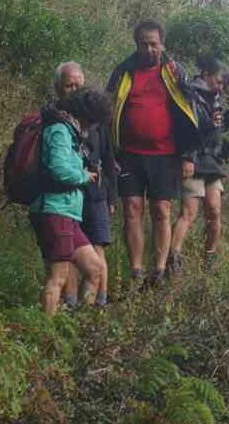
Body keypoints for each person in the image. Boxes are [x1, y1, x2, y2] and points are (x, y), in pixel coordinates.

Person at [106, 20, 200, 286]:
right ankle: (136, 271)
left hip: (166, 154)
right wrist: (108, 152)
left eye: (154, 44)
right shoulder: (123, 71)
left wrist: (188, 155)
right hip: (129, 154)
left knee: (162, 209)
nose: (149, 49)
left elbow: (190, 114)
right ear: (136, 45)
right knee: (132, 209)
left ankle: (158, 271)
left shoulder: (174, 72)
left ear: (162, 44)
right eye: (144, 44)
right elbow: (106, 110)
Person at [28, 88, 110, 316]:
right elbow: (59, 170)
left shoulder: (70, 131)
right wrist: (83, 175)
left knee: (95, 269)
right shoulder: (59, 130)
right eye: (93, 122)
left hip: (68, 213)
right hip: (54, 210)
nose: (92, 127)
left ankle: (80, 328)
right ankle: (46, 336)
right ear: (86, 116)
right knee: (58, 277)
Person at [168, 58, 229, 272]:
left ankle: (209, 260)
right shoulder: (189, 94)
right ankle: (172, 258)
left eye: (222, 84)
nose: (220, 87)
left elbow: (214, 131)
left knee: (214, 212)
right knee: (189, 213)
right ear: (205, 74)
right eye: (218, 81)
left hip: (212, 161)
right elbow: (186, 129)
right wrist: (187, 156)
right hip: (193, 159)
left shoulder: (215, 99)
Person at [53, 62, 118, 306]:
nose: (74, 89)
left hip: (96, 193)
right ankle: (71, 303)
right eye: (69, 85)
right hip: (67, 194)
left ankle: (99, 304)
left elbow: (109, 159)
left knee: (98, 247)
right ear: (58, 88)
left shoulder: (97, 117)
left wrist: (112, 196)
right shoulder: (54, 119)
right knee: (68, 251)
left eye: (78, 84)